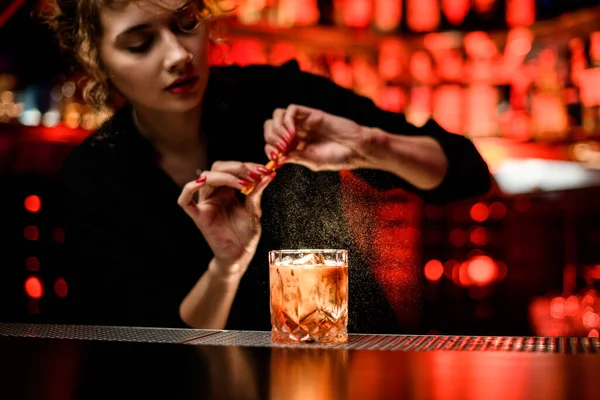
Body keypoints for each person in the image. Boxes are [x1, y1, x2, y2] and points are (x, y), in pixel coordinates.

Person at [41, 0, 491, 333]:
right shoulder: (96, 175)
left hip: (354, 371)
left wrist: (367, 144)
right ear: (97, 61)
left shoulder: (282, 97)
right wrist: (226, 268)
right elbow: (155, 347)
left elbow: (466, 172)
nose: (179, 54)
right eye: (140, 43)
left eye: (187, 23)